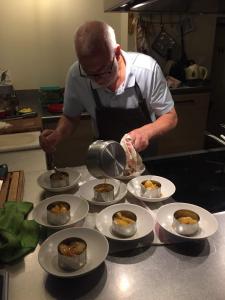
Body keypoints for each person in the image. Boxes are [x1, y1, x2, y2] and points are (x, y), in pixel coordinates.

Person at [40, 20, 178, 159]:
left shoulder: (146, 70)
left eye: (103, 70)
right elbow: (70, 117)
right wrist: (59, 133)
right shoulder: (76, 75)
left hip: (145, 156)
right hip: (104, 157)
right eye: (89, 73)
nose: (98, 80)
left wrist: (146, 132)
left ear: (117, 53)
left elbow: (170, 116)